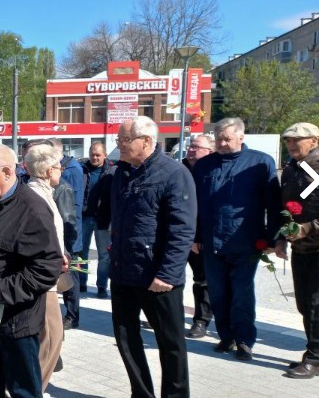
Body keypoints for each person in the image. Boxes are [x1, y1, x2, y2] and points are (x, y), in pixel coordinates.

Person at [106, 117, 195, 398]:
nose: (118, 145)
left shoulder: (173, 174)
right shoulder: (121, 172)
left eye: (124, 140)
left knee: (170, 344)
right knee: (126, 339)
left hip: (158, 278)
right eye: (118, 140)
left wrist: (167, 274)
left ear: (146, 141)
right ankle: (141, 393)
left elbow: (182, 230)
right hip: (123, 273)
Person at [0, 143, 63, 397]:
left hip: (16, 324)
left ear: (7, 172)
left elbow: (47, 268)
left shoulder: (32, 209)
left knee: (23, 392)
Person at [193, 118, 280, 361]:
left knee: (241, 294)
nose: (221, 143)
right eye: (218, 138)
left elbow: (273, 204)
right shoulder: (204, 166)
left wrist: (274, 238)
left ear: (241, 138)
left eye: (227, 139)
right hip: (211, 242)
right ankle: (226, 336)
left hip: (246, 241)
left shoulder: (260, 163)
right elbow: (196, 205)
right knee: (218, 293)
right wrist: (195, 237)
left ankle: (244, 340)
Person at [25, 144, 71, 388]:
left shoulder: (41, 193)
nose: (61, 171)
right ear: (47, 171)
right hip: (43, 278)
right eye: (58, 167)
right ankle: (32, 389)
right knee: (52, 336)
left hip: (46, 273)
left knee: (48, 335)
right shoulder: (37, 197)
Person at [277, 122, 319, 378]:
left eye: (297, 140)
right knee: (304, 303)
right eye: (287, 141)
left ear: (314, 140)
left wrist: (308, 228)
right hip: (301, 247)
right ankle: (313, 353)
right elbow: (287, 208)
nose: (291, 145)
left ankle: (314, 359)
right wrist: (282, 237)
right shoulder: (292, 169)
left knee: (316, 304)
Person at [182, 134, 215, 338]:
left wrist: (197, 237)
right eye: (190, 146)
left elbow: (207, 208)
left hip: (198, 238)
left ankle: (201, 321)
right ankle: (167, 315)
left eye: (197, 147)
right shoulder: (179, 168)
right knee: (170, 277)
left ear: (209, 152)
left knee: (202, 281)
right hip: (175, 234)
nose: (191, 150)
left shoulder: (212, 171)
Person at [48, 138, 83, 329]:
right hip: (63, 237)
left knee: (71, 278)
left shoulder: (71, 172)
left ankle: (72, 315)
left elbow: (73, 209)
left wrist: (70, 244)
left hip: (70, 239)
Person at [79, 141, 114, 299]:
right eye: (92, 154)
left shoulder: (112, 172)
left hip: (103, 219)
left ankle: (101, 286)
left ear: (105, 155)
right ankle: (81, 283)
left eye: (98, 155)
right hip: (84, 218)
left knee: (104, 255)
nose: (95, 157)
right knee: (81, 253)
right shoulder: (82, 169)